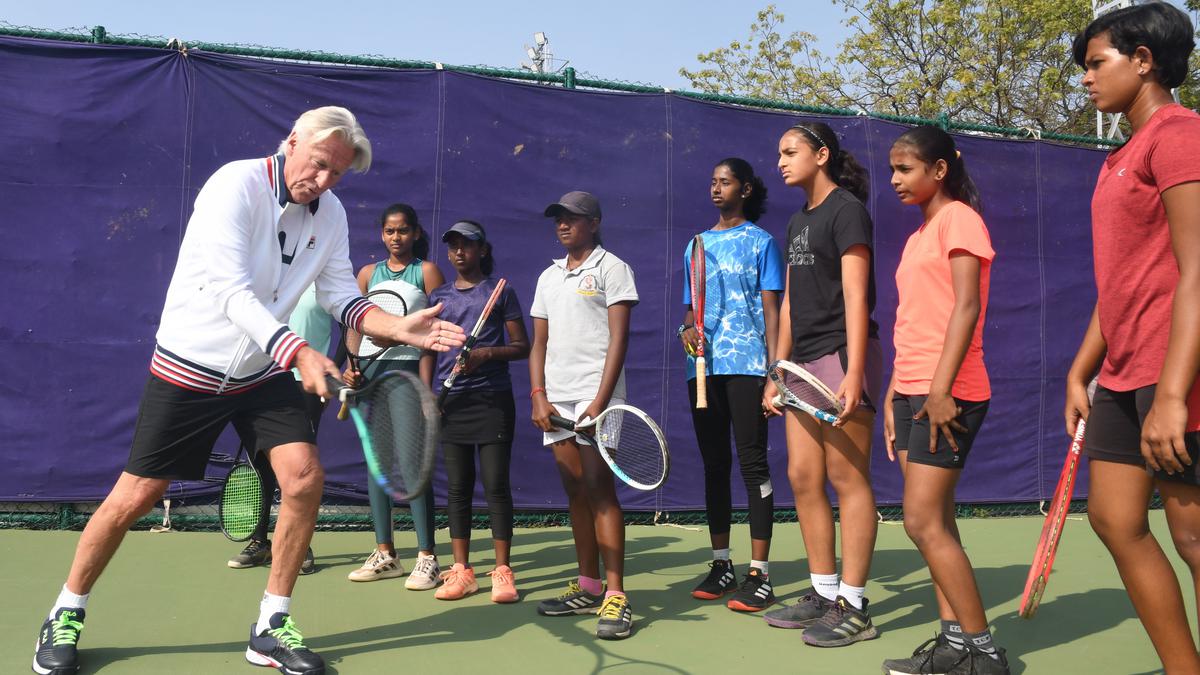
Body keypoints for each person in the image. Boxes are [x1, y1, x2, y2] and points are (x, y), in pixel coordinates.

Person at [31, 106, 465, 675]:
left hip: (261, 373)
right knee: (135, 495)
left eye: (337, 173)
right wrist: (299, 351)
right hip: (190, 367)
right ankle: (66, 611)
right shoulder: (233, 187)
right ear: (291, 142)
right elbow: (232, 293)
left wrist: (391, 324)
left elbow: (341, 296)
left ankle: (271, 624)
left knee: (305, 478)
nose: (325, 180)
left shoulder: (329, 213)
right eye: (320, 164)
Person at [1066, 5, 1200, 672]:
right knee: (1114, 519)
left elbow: (1198, 263)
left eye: (1097, 62)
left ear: (1144, 59)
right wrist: (1079, 369)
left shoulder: (1179, 134)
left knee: (1193, 535)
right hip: (1120, 376)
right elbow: (1119, 280)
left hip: (1177, 373)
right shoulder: (1117, 156)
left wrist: (1174, 393)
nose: (1086, 78)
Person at [878, 126, 1006, 675]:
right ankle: (953, 645)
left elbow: (966, 308)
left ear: (939, 170)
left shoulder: (960, 220)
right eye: (892, 170)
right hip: (911, 391)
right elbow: (913, 322)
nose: (895, 180)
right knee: (939, 524)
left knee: (922, 521)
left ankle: (985, 654)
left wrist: (940, 389)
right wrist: (892, 395)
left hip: (947, 395)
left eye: (905, 169)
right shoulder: (918, 235)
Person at [760, 123, 881, 647]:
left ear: (822, 154)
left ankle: (854, 604)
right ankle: (822, 590)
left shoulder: (847, 209)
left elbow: (856, 296)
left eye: (791, 152)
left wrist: (855, 370)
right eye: (779, 154)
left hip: (840, 355)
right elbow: (788, 303)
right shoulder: (795, 222)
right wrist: (777, 371)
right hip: (800, 365)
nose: (781, 161)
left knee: (846, 477)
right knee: (803, 477)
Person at [530, 191, 639, 640]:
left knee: (599, 490)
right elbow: (539, 344)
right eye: (558, 218)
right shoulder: (548, 276)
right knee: (574, 490)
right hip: (556, 401)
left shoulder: (613, 268)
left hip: (597, 398)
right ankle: (589, 584)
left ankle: (616, 594)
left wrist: (601, 397)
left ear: (593, 222)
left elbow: (618, 340)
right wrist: (539, 395)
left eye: (572, 218)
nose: (563, 225)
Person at [680, 158, 784, 613]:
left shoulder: (763, 243)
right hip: (702, 371)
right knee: (714, 465)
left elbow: (773, 312)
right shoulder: (696, 245)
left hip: (748, 367)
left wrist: (774, 373)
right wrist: (686, 330)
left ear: (745, 189)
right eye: (712, 181)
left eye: (725, 182)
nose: (716, 189)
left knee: (752, 465)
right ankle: (722, 563)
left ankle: (759, 574)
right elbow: (691, 309)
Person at [342, 204, 445, 591]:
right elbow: (355, 322)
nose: (396, 238)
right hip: (370, 377)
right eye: (389, 231)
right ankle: (385, 553)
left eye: (403, 231)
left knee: (411, 461)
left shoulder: (427, 272)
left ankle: (427, 558)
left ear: (415, 233)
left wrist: (426, 387)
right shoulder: (368, 274)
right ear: (382, 234)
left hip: (406, 374)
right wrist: (351, 365)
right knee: (377, 463)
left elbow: (434, 329)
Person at [429, 220, 529, 603]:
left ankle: (502, 571)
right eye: (453, 245)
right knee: (457, 489)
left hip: (492, 400)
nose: (458, 252)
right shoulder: (439, 296)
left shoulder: (500, 292)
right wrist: (428, 396)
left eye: (467, 245)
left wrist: (487, 354)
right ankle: (462, 571)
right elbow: (429, 350)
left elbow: (522, 346)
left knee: (495, 485)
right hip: (450, 402)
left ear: (482, 250)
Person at [227, 284, 328, 575]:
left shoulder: (322, 282)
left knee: (297, 470)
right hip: (263, 381)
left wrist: (330, 371)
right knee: (261, 466)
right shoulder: (268, 280)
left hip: (305, 382)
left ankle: (300, 545)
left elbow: (349, 330)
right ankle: (260, 542)